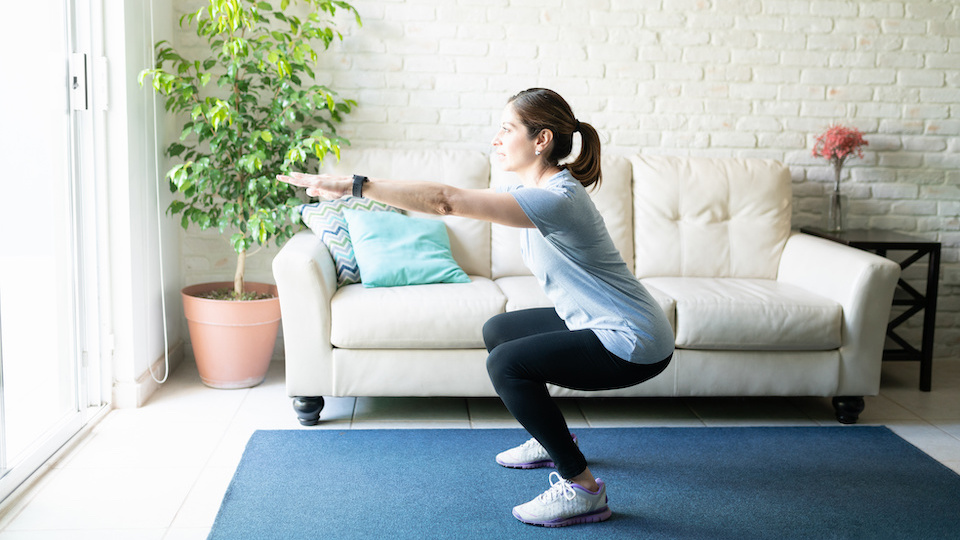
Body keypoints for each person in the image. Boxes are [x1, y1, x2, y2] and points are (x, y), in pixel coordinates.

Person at [278, 88, 674, 528]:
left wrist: (355, 186)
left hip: (632, 339)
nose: (496, 139)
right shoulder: (533, 188)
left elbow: (445, 200)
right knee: (499, 332)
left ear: (541, 139)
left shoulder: (556, 198)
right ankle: (551, 441)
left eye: (507, 129)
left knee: (507, 364)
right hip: (601, 322)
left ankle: (584, 488)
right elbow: (444, 196)